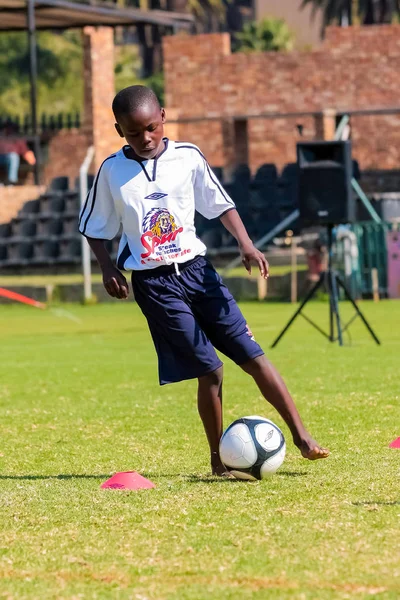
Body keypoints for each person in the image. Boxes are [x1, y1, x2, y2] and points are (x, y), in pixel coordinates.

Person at [79, 85, 329, 476]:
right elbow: (94, 226)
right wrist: (107, 267)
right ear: (118, 130)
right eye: (132, 132)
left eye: (150, 127)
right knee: (211, 370)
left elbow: (220, 204)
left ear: (163, 116)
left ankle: (302, 437)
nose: (144, 138)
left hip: (199, 274)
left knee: (254, 357)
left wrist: (246, 244)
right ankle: (218, 461)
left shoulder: (188, 157)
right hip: (155, 285)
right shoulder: (112, 171)